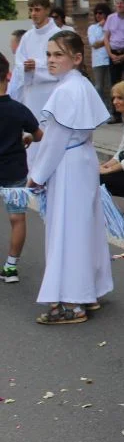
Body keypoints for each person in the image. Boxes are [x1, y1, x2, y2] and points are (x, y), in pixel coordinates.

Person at [29, 31, 112, 325]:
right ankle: (88, 291)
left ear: (76, 58)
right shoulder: (79, 84)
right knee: (83, 227)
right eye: (49, 54)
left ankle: (72, 301)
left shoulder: (66, 90)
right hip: (82, 160)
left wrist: (37, 176)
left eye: (58, 54)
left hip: (68, 165)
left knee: (68, 231)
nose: (51, 60)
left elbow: (55, 140)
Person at [0, 52, 43, 284]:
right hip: (14, 170)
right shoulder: (18, 109)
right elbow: (39, 135)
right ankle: (11, 267)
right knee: (17, 218)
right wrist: (27, 138)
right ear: (8, 75)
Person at [10, 0, 62, 126]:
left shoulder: (57, 35)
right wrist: (25, 67)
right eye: (31, 10)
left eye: (37, 9)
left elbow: (61, 62)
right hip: (32, 93)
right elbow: (19, 62)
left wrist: (37, 66)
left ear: (47, 10)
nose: (33, 13)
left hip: (51, 90)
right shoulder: (27, 36)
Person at [87, 3, 113, 116]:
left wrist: (105, 39)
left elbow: (114, 40)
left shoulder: (111, 26)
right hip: (98, 61)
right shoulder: (92, 28)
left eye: (101, 13)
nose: (98, 15)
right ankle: (103, 110)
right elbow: (94, 44)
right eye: (96, 13)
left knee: (110, 86)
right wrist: (106, 39)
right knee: (98, 87)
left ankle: (112, 110)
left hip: (109, 58)